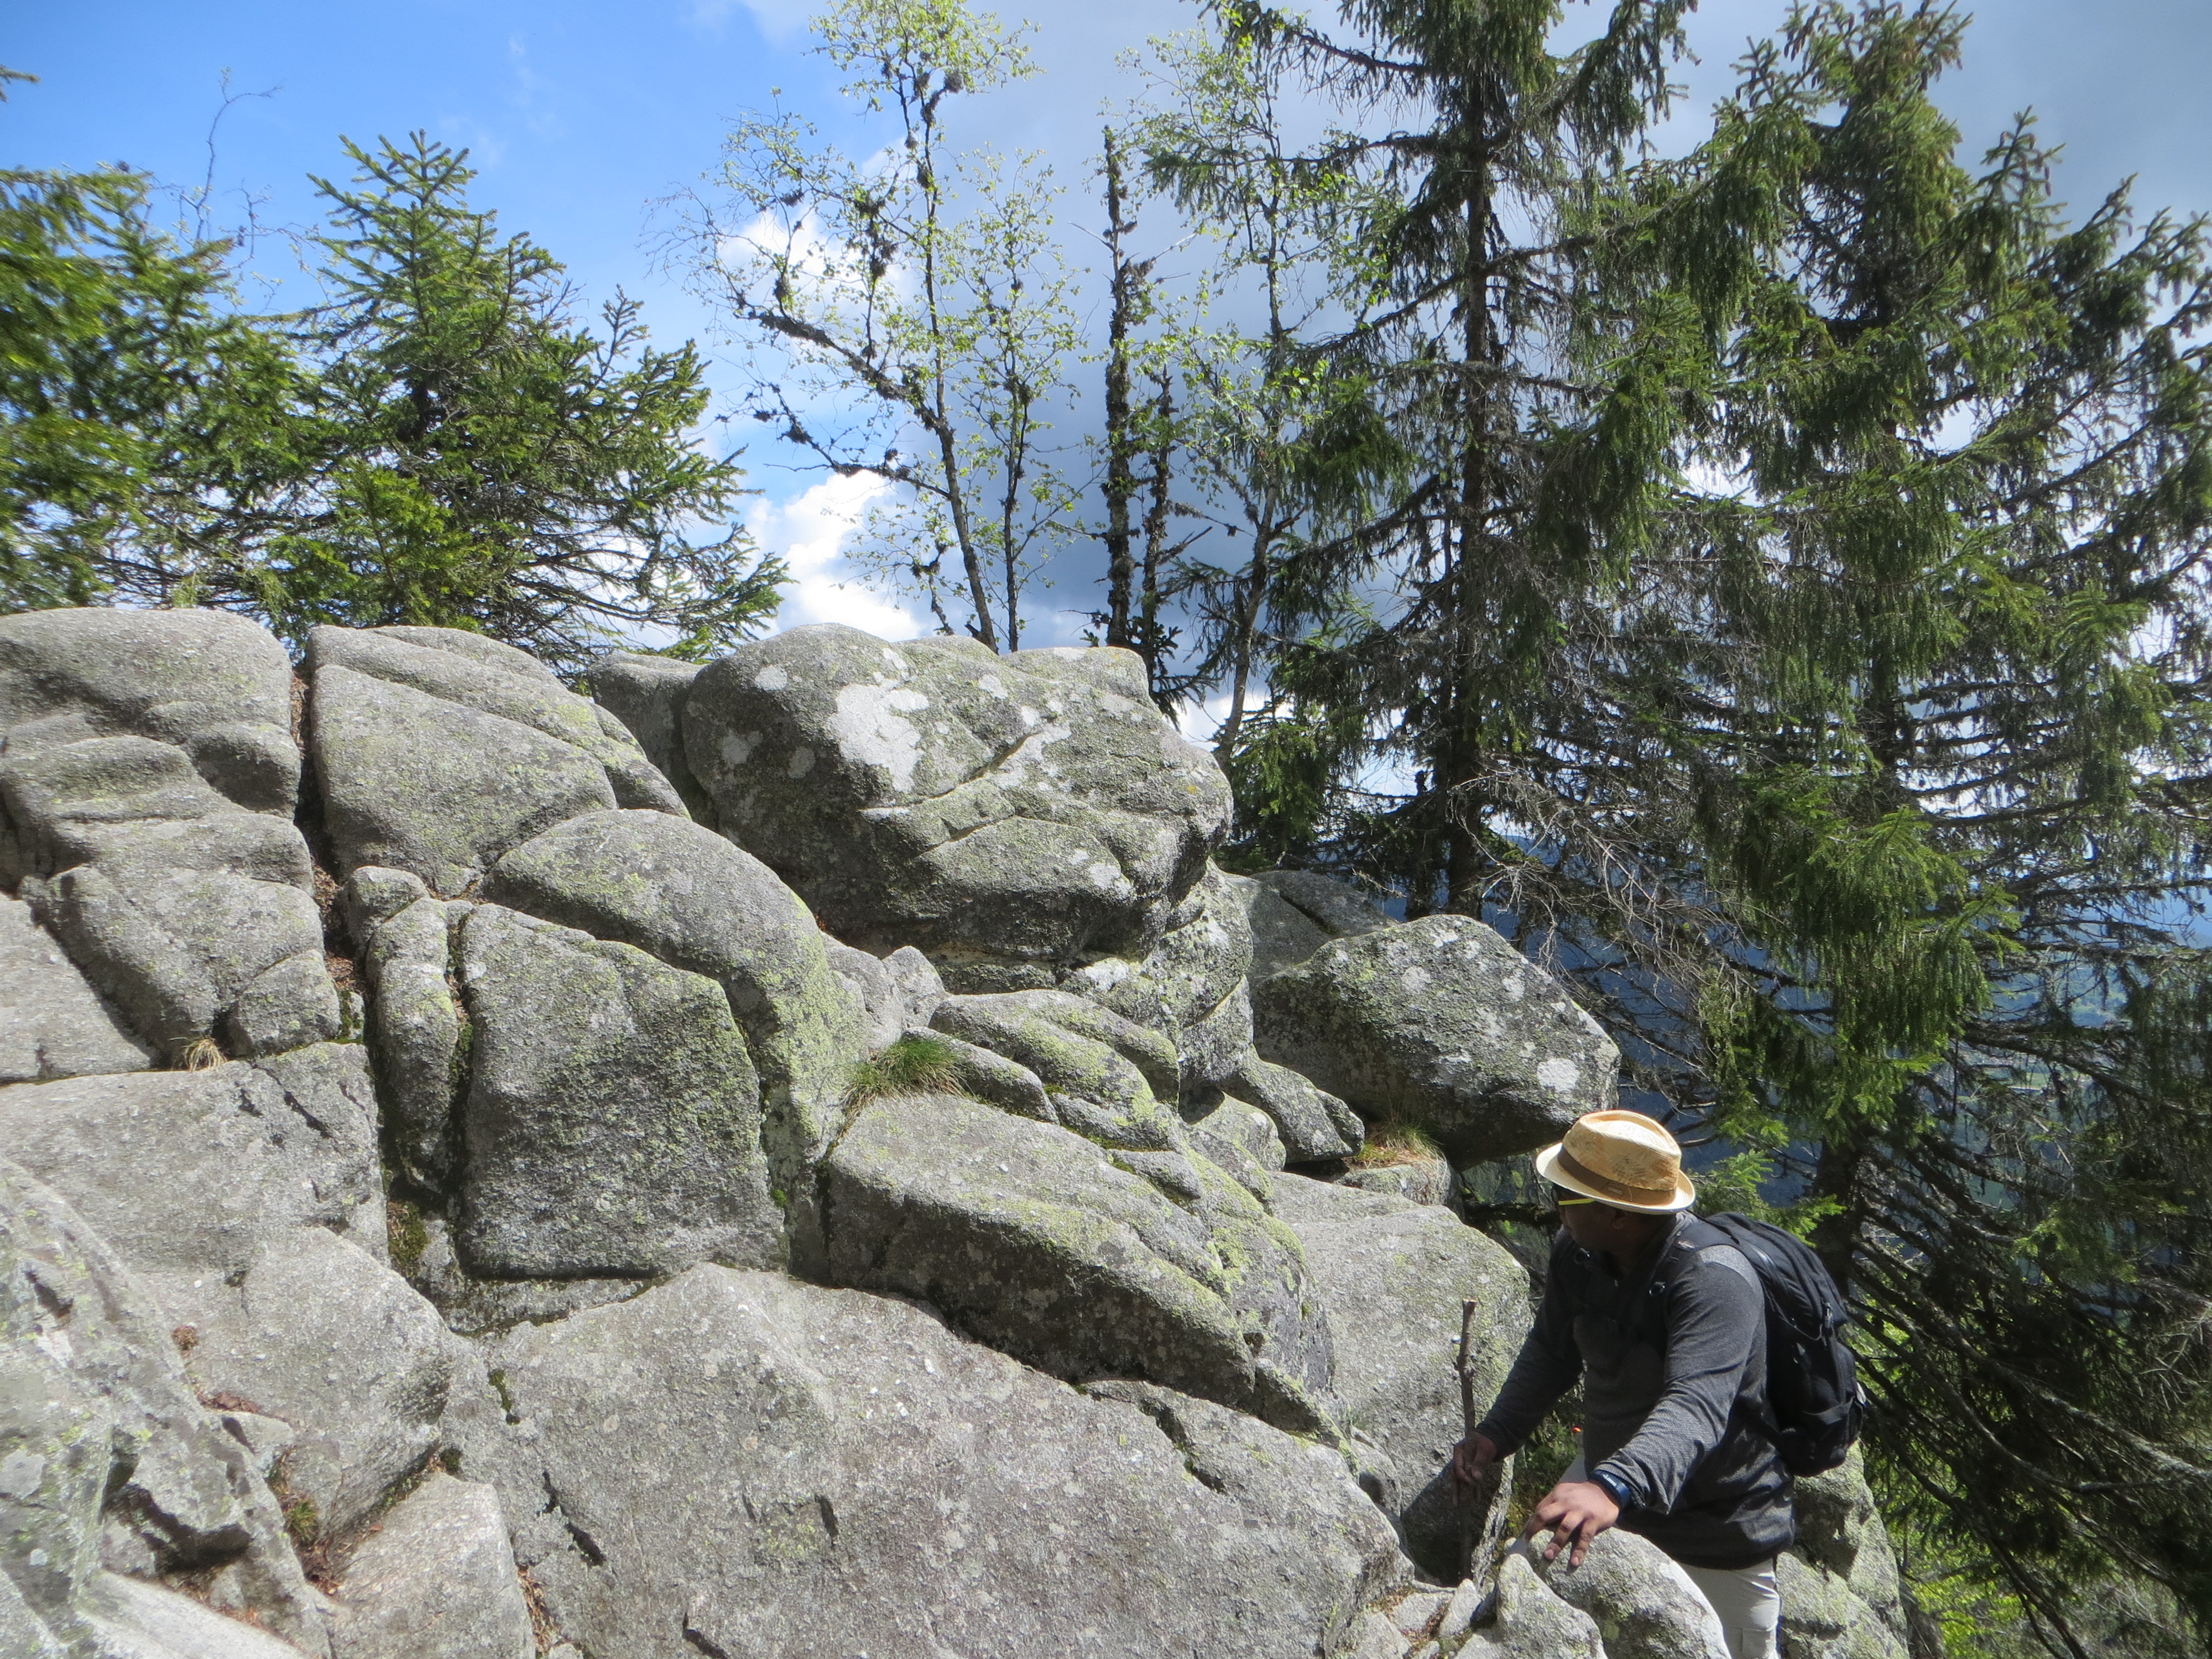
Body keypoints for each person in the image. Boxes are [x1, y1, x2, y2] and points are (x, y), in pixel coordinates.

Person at [1450, 1110, 1792, 1659]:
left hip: (1714, 1529)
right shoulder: (1579, 1253)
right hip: (1606, 1486)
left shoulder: (1714, 1281)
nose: (1556, 1207)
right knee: (1513, 1618)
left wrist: (1612, 1486)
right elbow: (1553, 1351)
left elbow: (1697, 1405)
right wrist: (1497, 1433)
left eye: (1566, 1196)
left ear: (1616, 1215)